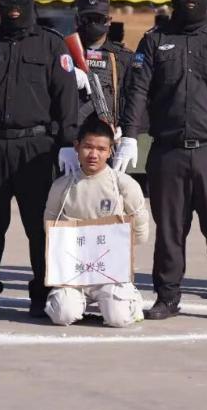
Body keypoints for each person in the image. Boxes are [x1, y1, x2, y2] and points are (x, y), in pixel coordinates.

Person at [115, 0, 207, 322]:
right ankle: (167, 297)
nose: (190, 2)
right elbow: (138, 90)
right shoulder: (155, 40)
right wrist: (129, 134)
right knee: (170, 232)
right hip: (169, 151)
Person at [0, 0, 78, 318]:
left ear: (31, 2)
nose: (13, 11)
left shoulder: (50, 44)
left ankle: (41, 294)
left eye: (20, 4)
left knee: (39, 228)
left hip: (37, 149)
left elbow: (66, 98)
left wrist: (67, 143)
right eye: (6, 4)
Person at [43, 116, 148, 327]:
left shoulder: (124, 185)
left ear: (110, 151)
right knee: (62, 315)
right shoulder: (61, 186)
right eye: (88, 147)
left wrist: (116, 250)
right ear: (76, 147)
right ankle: (76, 302)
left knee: (118, 318)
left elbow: (140, 234)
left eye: (101, 149)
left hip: (111, 273)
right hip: (73, 273)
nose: (93, 154)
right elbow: (50, 228)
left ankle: (129, 298)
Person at [72, 0, 134, 128]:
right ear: (77, 21)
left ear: (108, 21)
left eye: (98, 19)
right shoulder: (63, 54)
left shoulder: (123, 57)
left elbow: (134, 99)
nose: (92, 23)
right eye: (87, 19)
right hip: (71, 133)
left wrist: (125, 130)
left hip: (110, 132)